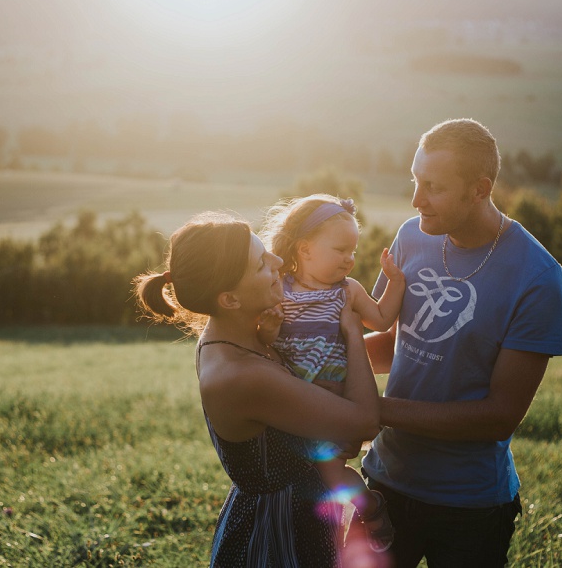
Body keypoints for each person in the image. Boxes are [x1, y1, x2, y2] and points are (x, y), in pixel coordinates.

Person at [361, 118, 562, 567]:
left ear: (479, 189)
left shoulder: (538, 277)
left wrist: (372, 410)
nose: (416, 200)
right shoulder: (411, 236)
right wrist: (317, 364)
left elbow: (499, 417)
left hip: (469, 508)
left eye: (432, 186)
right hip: (384, 484)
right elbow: (394, 342)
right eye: (415, 180)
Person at [134, 212, 382, 567]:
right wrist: (352, 330)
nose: (279, 262)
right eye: (262, 264)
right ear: (230, 299)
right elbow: (364, 422)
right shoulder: (242, 376)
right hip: (277, 530)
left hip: (298, 510)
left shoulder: (240, 334)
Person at [259, 194, 404, 552]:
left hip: (335, 400)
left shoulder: (347, 291)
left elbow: (382, 320)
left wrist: (396, 282)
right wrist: (270, 329)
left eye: (353, 251)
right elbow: (264, 345)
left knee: (330, 470)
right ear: (305, 249)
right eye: (340, 249)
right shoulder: (280, 288)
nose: (349, 259)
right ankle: (306, 538)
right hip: (293, 401)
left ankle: (369, 507)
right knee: (299, 472)